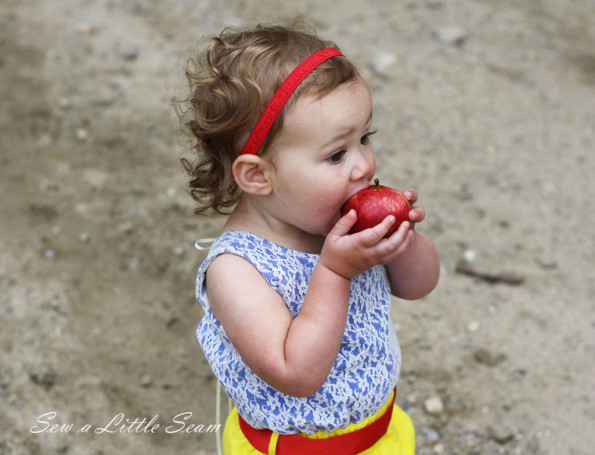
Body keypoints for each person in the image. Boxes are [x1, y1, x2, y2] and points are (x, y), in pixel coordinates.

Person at [175, 22, 440, 455]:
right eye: (337, 154)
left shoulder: (336, 227)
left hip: (382, 435)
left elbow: (420, 285)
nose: (363, 167)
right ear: (258, 175)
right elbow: (296, 373)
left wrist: (403, 240)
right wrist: (334, 271)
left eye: (365, 139)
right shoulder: (237, 270)